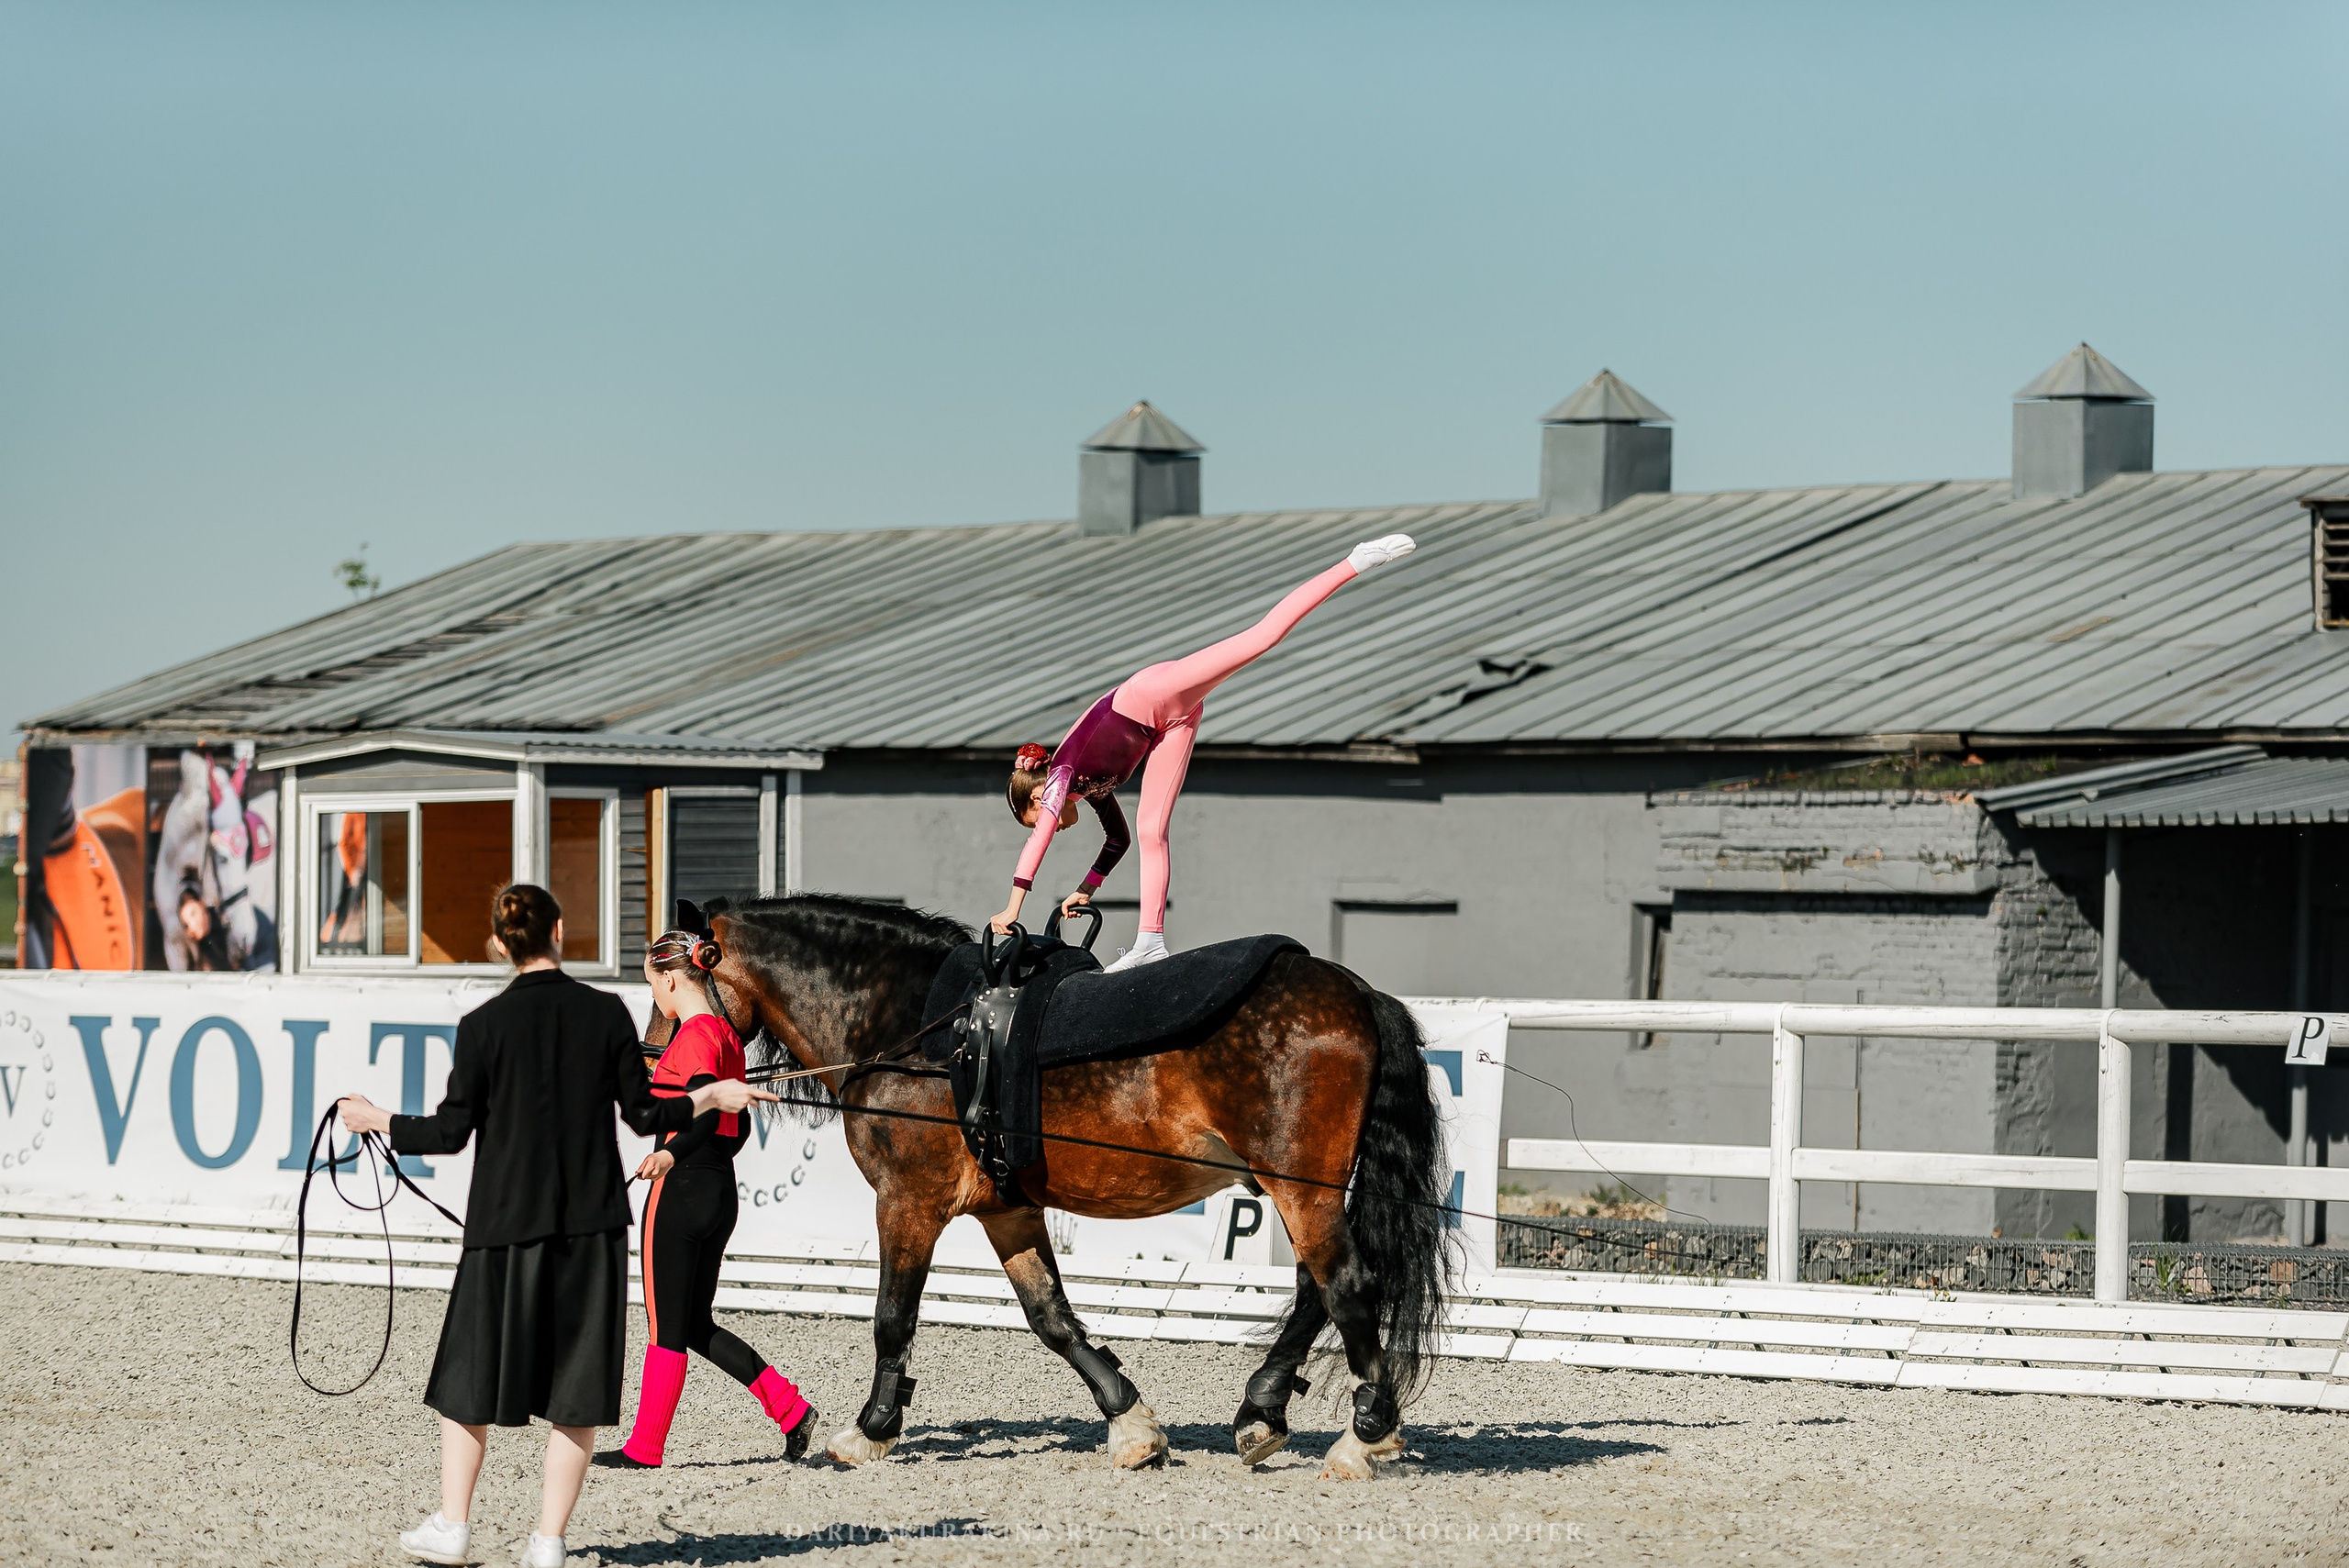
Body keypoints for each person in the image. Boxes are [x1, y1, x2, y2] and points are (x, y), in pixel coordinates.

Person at [337, 884, 774, 1568]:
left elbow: (449, 1132)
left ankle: (453, 1525)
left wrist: (376, 1118)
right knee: (577, 1386)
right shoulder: (604, 1015)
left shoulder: (481, 1025)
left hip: (501, 1227)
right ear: (561, 932)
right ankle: (548, 1542)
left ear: (500, 943)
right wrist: (714, 1095)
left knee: (468, 1377)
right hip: (590, 1228)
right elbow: (645, 1114)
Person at [992, 533, 1417, 969]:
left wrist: (1013, 908)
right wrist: (1087, 887)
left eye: (1036, 816)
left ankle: (1355, 561)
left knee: (1261, 638)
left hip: (1151, 695)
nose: (1053, 827)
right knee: (1150, 830)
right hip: (1171, 723)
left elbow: (1038, 840)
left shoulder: (1061, 775)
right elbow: (1116, 841)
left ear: (1038, 798)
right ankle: (1150, 941)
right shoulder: (1089, 789)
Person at [604, 917, 818, 1468]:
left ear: (672, 981)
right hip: (719, 1189)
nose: (654, 996)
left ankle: (645, 1448)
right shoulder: (726, 1038)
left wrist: (674, 1153)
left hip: (679, 1191)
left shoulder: (695, 1038)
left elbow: (698, 1106)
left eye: (653, 986)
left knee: (666, 1326)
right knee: (694, 1322)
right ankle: (790, 1408)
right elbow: (737, 1125)